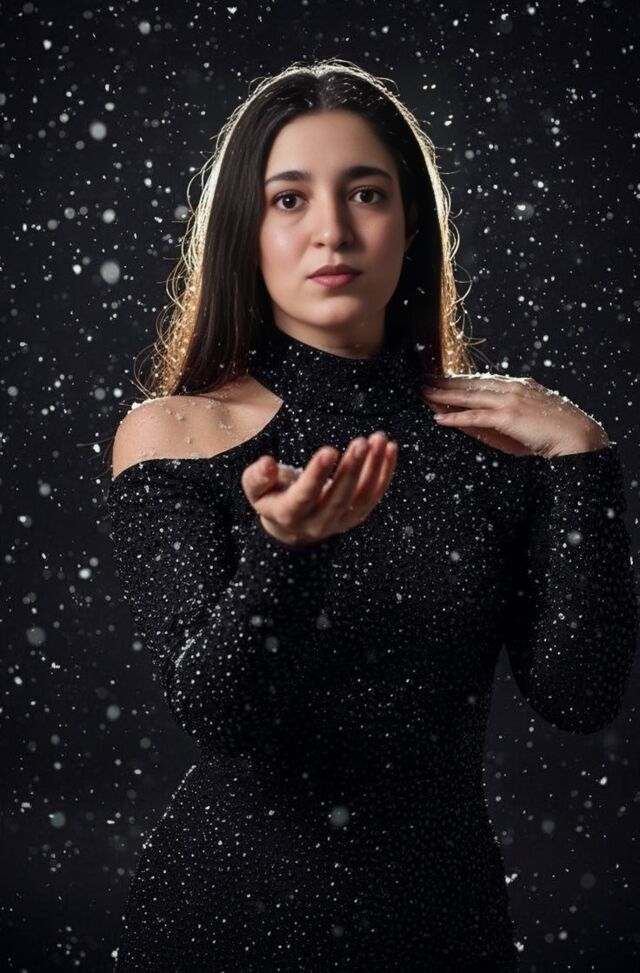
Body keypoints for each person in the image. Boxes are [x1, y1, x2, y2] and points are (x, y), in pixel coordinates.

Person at [103, 58, 638, 972]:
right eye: (288, 199)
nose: (332, 230)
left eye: (365, 193)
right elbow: (219, 712)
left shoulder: (496, 437)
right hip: (224, 921)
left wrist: (585, 462)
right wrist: (288, 552)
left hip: (443, 924)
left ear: (410, 223)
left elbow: (580, 698)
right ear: (244, 231)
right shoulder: (177, 432)